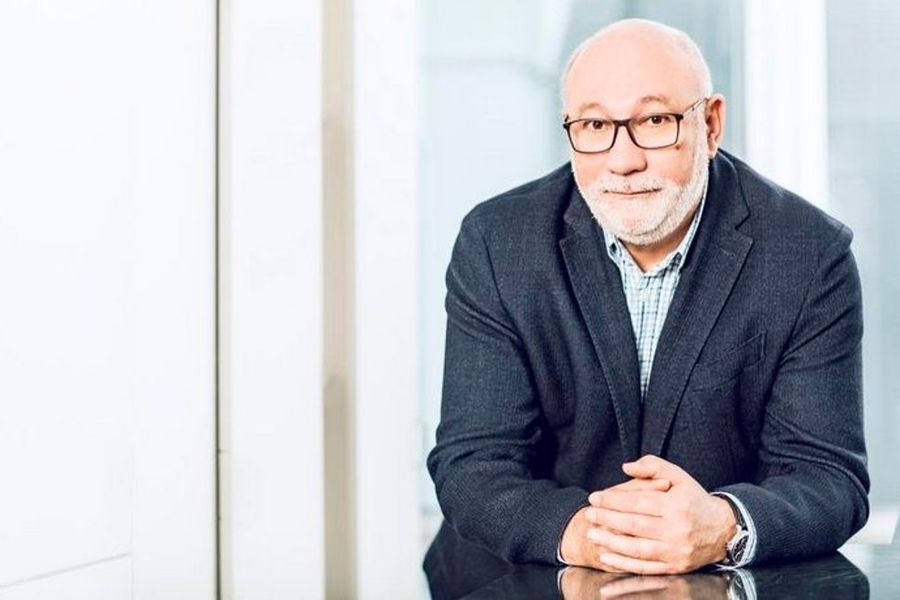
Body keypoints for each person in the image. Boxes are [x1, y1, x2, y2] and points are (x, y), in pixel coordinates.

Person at [423, 17, 869, 597]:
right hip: (514, 580)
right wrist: (593, 535)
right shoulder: (497, 242)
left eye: (655, 121)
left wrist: (723, 526)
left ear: (711, 124)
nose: (623, 159)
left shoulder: (808, 253)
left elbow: (829, 478)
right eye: (594, 125)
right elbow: (473, 464)